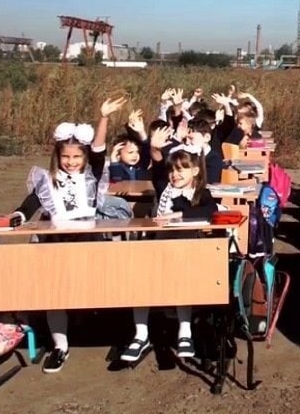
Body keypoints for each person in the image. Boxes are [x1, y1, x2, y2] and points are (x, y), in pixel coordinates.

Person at [11, 96, 126, 373]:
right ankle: (60, 345)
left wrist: (103, 118)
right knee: (55, 293)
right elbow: (30, 204)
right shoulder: (48, 179)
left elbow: (98, 150)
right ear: (58, 157)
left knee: (101, 288)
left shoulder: (92, 175)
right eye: (66, 157)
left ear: (84, 158)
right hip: (56, 243)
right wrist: (18, 216)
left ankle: (116, 333)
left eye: (76, 157)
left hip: (88, 242)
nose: (71, 162)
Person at [120, 143, 218, 362]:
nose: (175, 174)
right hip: (159, 247)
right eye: (172, 170)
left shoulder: (201, 193)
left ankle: (185, 332)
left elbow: (210, 211)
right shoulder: (165, 188)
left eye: (181, 169)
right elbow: (157, 166)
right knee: (140, 282)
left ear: (195, 171)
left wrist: (178, 215)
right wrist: (153, 145)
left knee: (182, 283)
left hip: (187, 251)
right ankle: (141, 334)